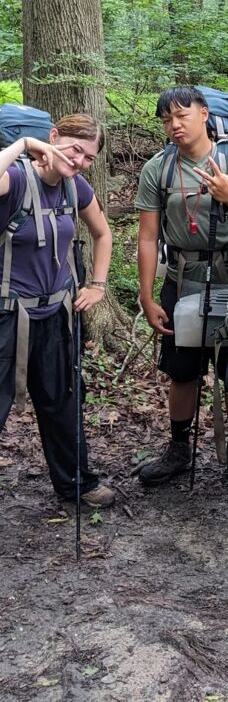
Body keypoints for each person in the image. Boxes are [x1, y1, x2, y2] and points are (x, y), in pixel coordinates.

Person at [136, 86, 228, 489]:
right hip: (181, 279)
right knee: (181, 371)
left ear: (204, 114)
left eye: (181, 115)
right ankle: (179, 447)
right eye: (167, 119)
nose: (174, 125)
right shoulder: (158, 169)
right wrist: (147, 296)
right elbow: (148, 237)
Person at [0, 113, 114, 507]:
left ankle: (76, 483)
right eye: (75, 150)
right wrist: (25, 146)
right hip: (7, 316)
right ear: (53, 137)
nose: (79, 162)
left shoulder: (76, 188)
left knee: (63, 402)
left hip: (56, 316)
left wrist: (97, 285)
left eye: (88, 158)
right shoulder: (14, 179)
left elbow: (103, 233)